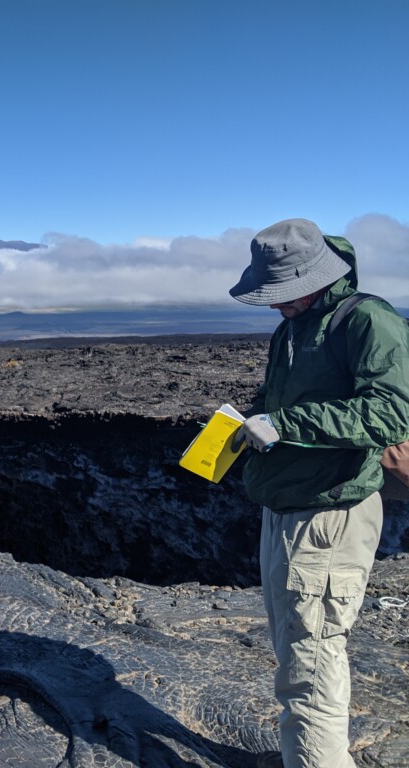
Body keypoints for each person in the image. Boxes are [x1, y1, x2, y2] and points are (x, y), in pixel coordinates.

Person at [229, 218, 409, 768]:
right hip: (285, 508)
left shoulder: (367, 321)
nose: (273, 305)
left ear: (315, 276)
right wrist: (249, 421)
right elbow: (286, 399)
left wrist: (286, 425)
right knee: (296, 653)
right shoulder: (292, 327)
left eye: (280, 293)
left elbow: (391, 411)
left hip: (330, 513)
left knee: (310, 665)